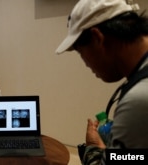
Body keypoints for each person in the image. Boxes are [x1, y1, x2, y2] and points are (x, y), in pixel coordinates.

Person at [56, 0, 148, 164]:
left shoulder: (138, 101)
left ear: (97, 38)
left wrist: (93, 148)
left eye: (79, 52)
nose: (85, 63)